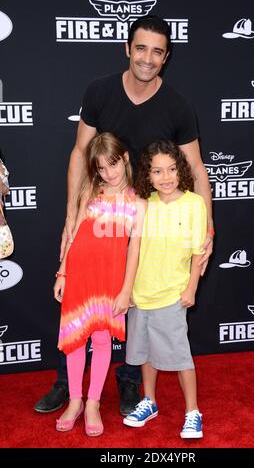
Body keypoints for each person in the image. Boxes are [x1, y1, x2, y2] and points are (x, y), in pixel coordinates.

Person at [34, 14, 214, 416]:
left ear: (166, 58)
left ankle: (129, 383)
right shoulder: (99, 91)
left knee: (131, 302)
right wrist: (69, 217)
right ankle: (67, 382)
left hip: (139, 222)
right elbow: (80, 154)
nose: (147, 58)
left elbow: (198, 169)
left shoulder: (179, 106)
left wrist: (209, 228)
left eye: (157, 51)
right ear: (127, 49)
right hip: (94, 215)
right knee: (77, 301)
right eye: (141, 48)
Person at [54, 132, 144, 436]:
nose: (109, 172)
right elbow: (75, 232)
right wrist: (63, 271)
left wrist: (126, 290)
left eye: (113, 164)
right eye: (102, 167)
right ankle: (75, 400)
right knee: (75, 341)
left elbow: (135, 249)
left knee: (103, 341)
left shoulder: (138, 203)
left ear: (126, 158)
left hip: (111, 282)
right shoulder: (91, 190)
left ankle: (93, 403)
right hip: (79, 275)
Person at [123, 140, 206, 439]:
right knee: (146, 353)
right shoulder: (145, 205)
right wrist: (128, 288)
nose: (166, 177)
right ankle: (150, 401)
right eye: (157, 171)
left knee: (181, 356)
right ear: (148, 174)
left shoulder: (194, 203)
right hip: (141, 293)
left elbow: (199, 250)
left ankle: (192, 411)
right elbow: (134, 249)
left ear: (180, 169)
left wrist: (192, 286)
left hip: (173, 293)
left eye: (171, 169)